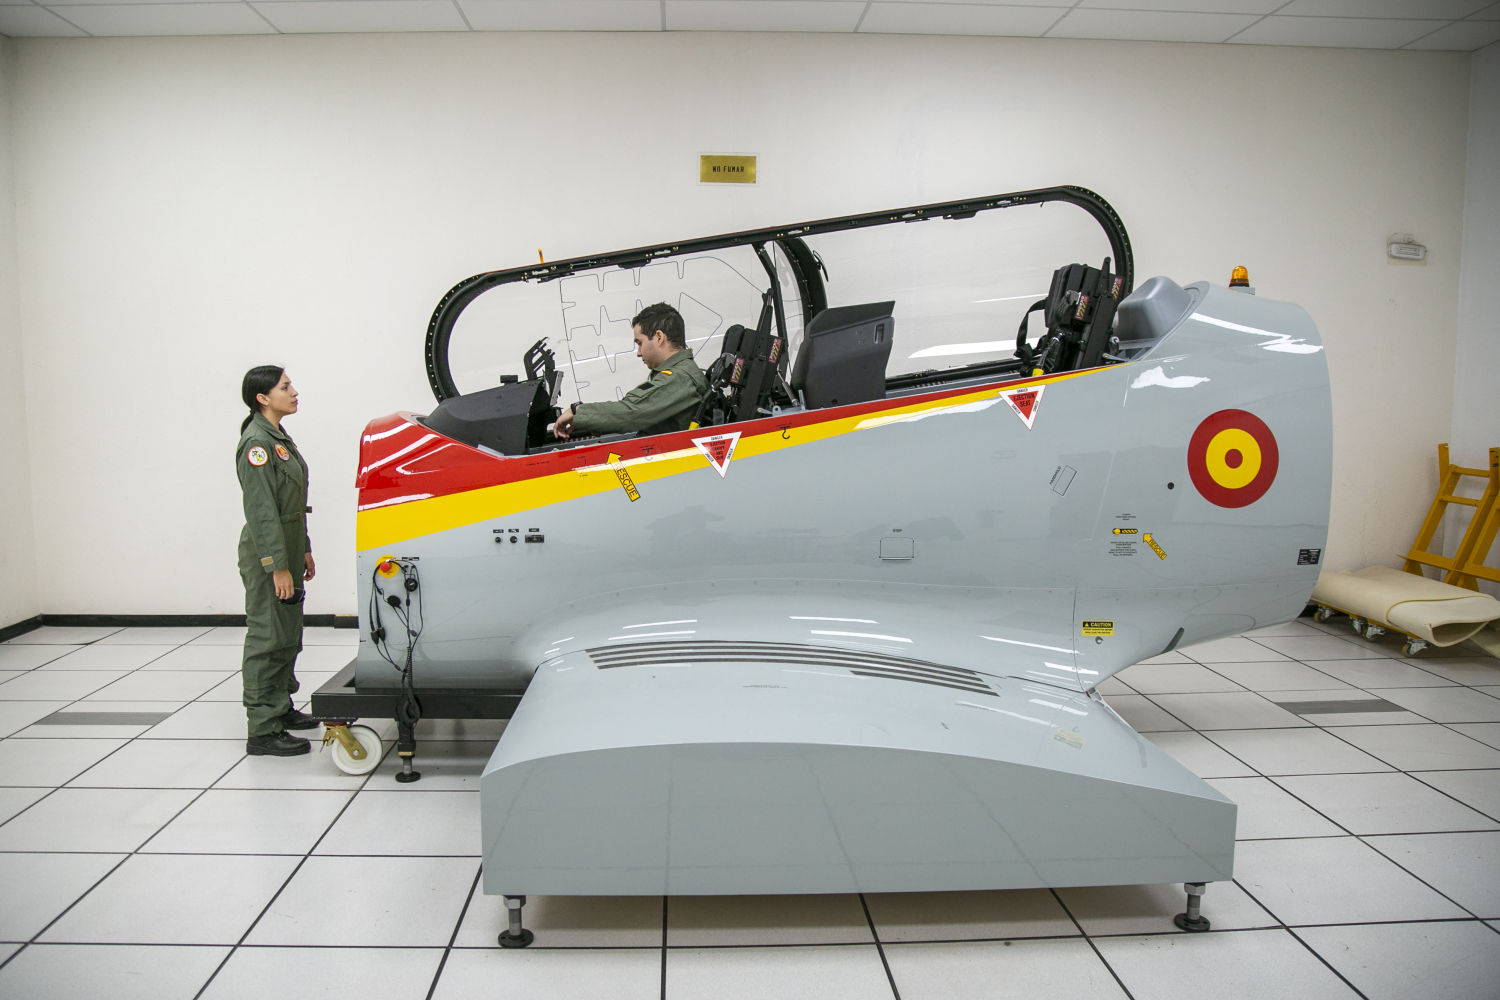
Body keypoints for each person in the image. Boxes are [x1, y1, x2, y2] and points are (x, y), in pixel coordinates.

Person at [236, 366, 319, 756]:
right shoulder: (256, 443)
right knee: (268, 636)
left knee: (288, 632)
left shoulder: (278, 437)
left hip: (287, 543)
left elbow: (292, 505)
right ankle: (262, 729)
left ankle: (281, 708)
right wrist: (277, 565)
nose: (295, 392)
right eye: (286, 387)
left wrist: (302, 547)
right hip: (267, 551)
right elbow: (262, 510)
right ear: (263, 398)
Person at [553, 302, 708, 439]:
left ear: (659, 338)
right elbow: (634, 406)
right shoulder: (678, 375)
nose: (638, 352)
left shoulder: (679, 379)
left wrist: (578, 412)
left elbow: (631, 413)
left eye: (639, 343)